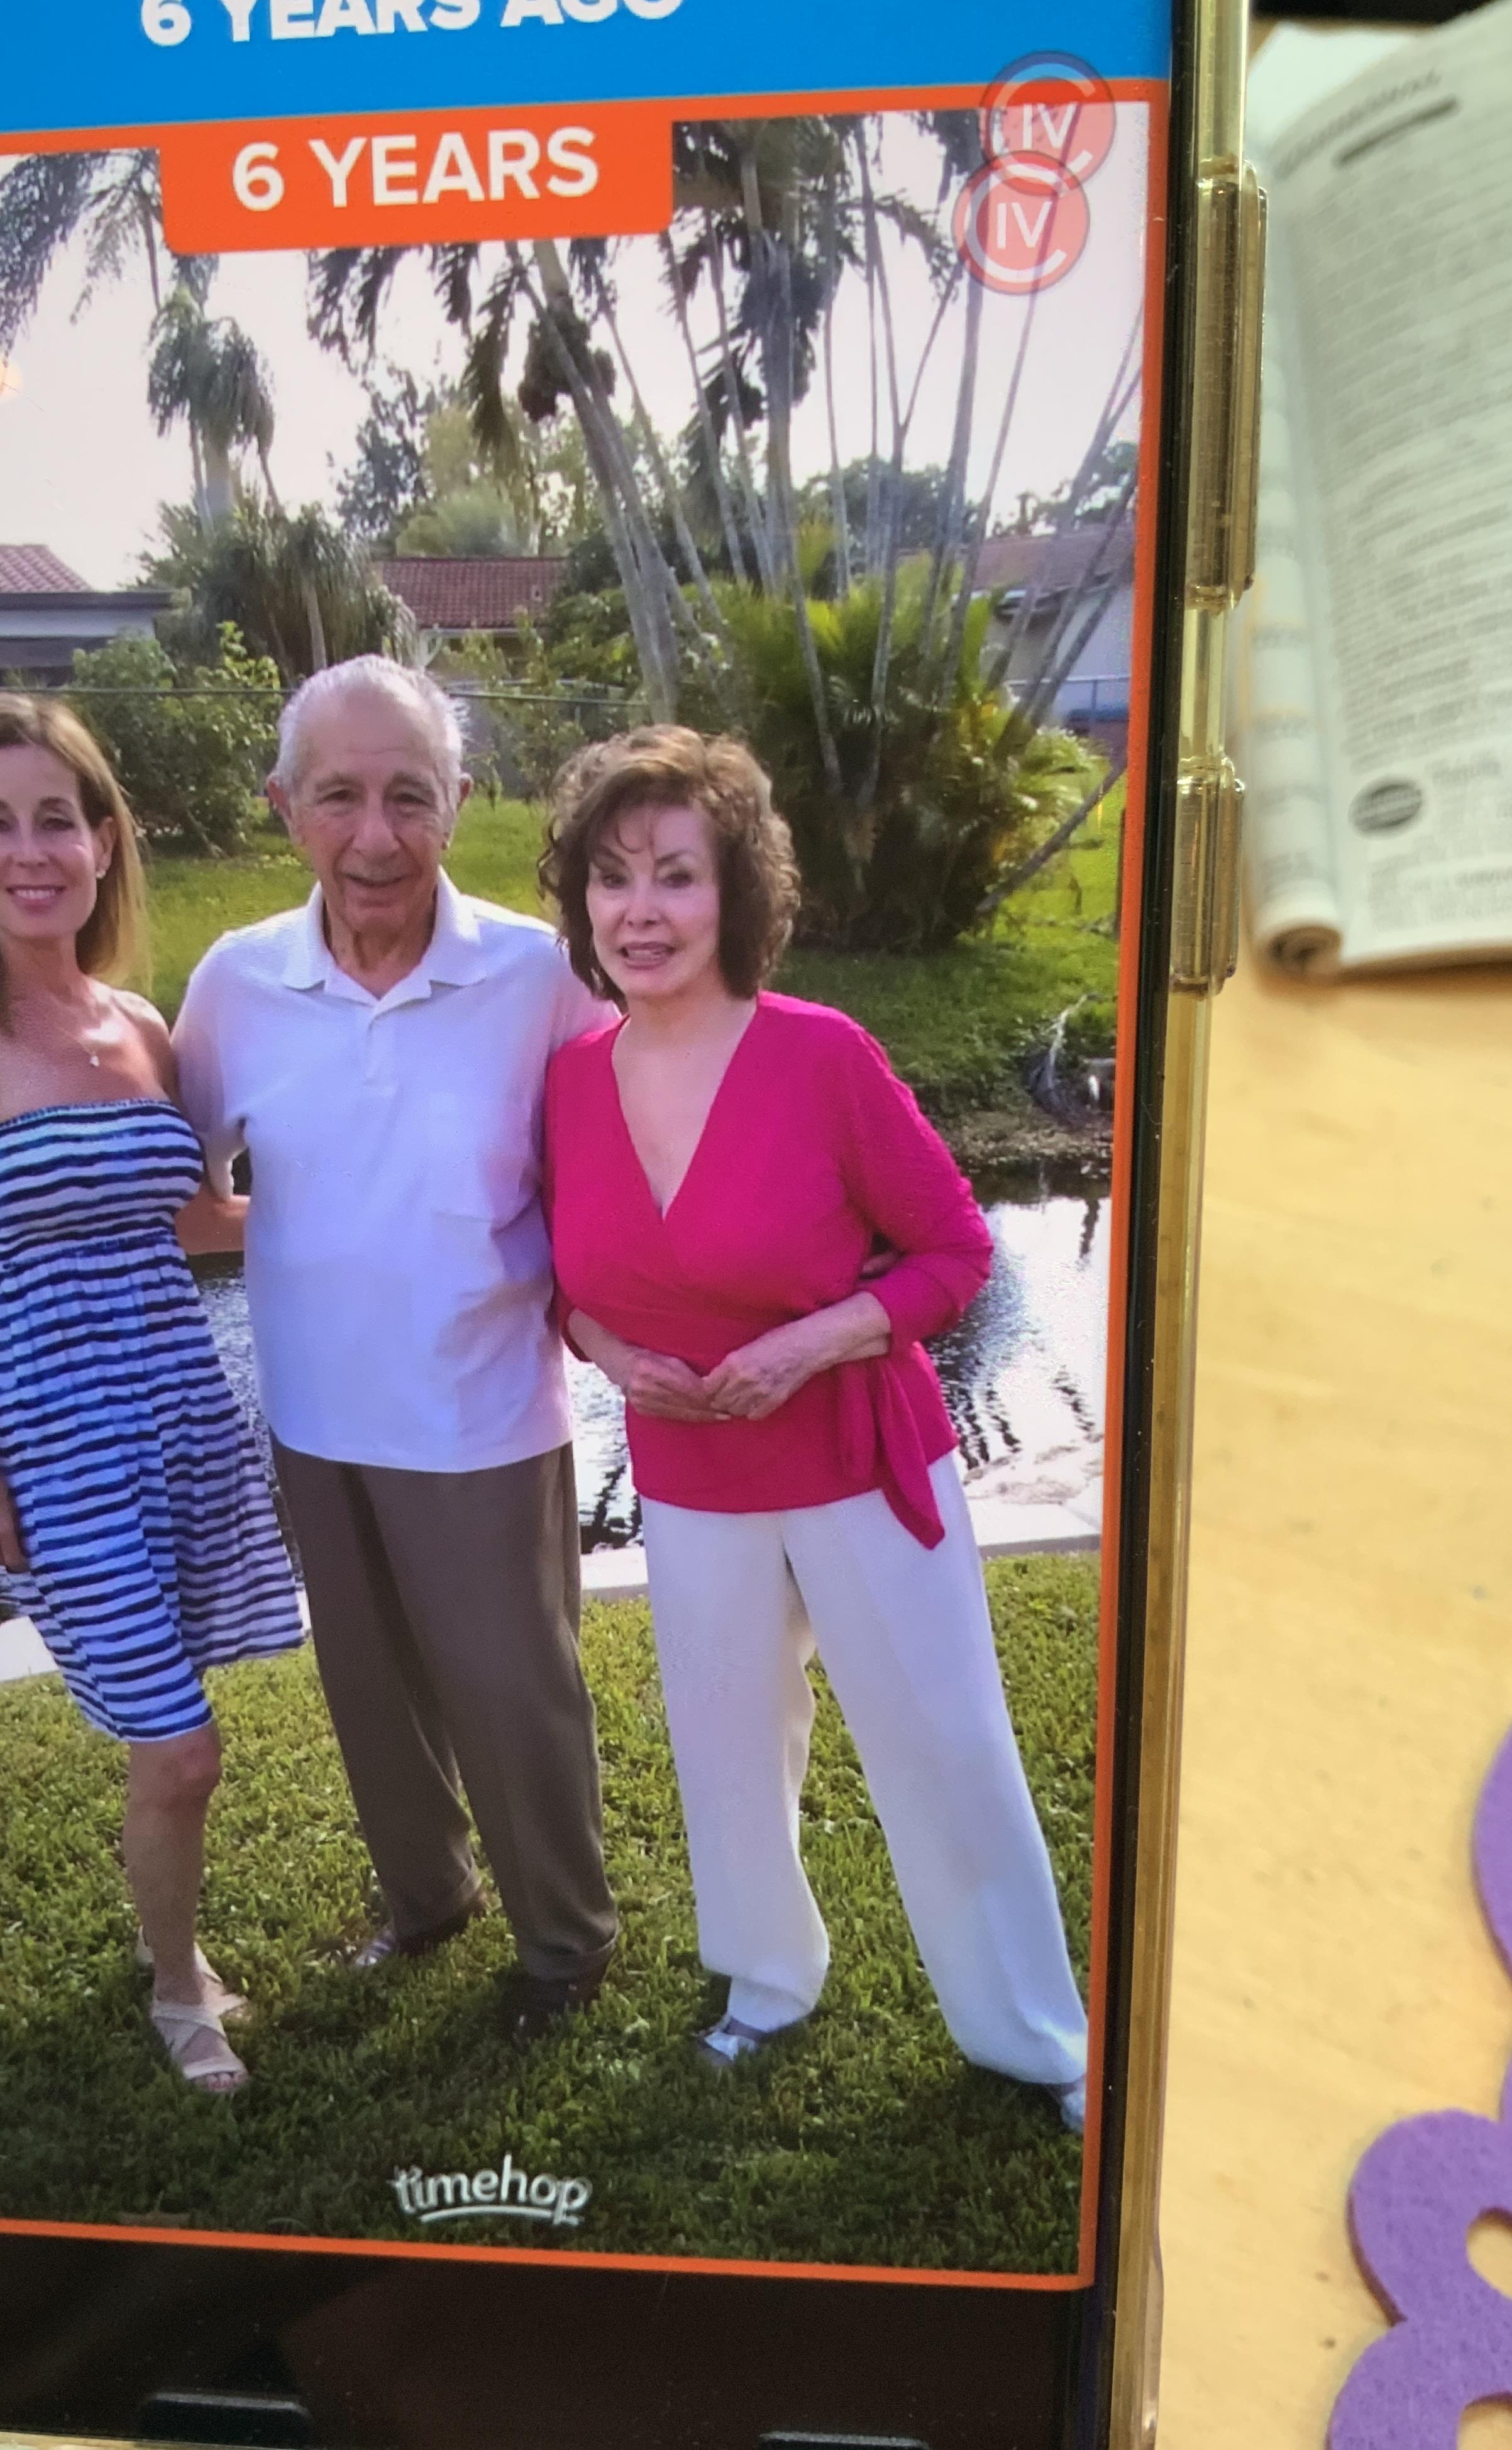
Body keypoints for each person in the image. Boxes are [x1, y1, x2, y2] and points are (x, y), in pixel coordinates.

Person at [539, 725, 1090, 2126]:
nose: (640, 910)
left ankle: (1035, 2036)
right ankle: (767, 1981)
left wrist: (812, 1340)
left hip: (856, 1456)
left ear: (735, 893)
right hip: (689, 1474)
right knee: (726, 1744)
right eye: (612, 878)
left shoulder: (821, 1056)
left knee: (944, 1744)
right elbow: (565, 1283)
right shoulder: (571, 1080)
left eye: (675, 875)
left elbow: (956, 1251)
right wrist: (609, 1350)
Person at [173, 655, 619, 2046]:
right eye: (340, 797)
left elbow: (617, 1172)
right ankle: (428, 1898)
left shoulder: (541, 977)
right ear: (284, 807)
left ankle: (565, 1943)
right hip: (314, 1411)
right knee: (369, 1693)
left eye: (410, 797)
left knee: (513, 1689)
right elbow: (183, 1187)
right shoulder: (238, 982)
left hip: (484, 1413)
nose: (376, 836)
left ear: (460, 802)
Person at [0, 692, 304, 2099]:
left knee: (180, 1732)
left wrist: (363, 1194)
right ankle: (180, 1990)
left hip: (182, 1416)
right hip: (54, 1449)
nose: (31, 850)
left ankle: (170, 1955)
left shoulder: (140, 1027)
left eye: (56, 819)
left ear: (105, 841)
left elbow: (190, 1217)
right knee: (180, 1748)